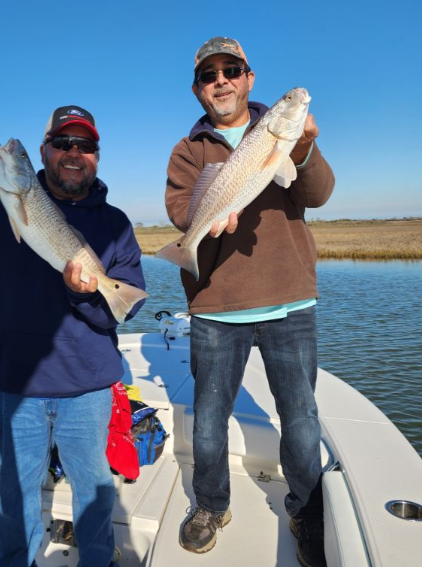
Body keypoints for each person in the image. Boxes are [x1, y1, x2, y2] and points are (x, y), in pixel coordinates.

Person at [0, 105, 146, 567]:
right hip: (13, 382)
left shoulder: (116, 224)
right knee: (15, 494)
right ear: (44, 152)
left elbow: (120, 312)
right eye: (63, 143)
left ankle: (99, 560)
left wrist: (86, 295)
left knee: (95, 493)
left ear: (96, 157)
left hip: (86, 387)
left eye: (84, 146)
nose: (73, 153)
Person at [164, 37, 335, 567]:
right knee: (210, 422)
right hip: (218, 309)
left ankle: (305, 512)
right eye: (210, 74)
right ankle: (211, 506)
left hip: (289, 303)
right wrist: (206, 231)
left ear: (249, 78)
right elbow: (180, 212)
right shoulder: (190, 150)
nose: (222, 80)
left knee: (302, 420)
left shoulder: (282, 136)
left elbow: (318, 193)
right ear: (198, 89)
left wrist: (302, 148)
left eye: (231, 69)